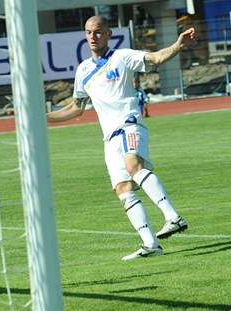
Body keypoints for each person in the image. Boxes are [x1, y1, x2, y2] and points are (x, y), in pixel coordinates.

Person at [46, 15, 191, 260]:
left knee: (133, 165)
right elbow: (76, 107)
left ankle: (173, 217)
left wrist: (178, 45)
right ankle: (150, 244)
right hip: (109, 138)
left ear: (109, 34)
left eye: (99, 32)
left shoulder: (121, 57)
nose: (93, 36)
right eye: (89, 32)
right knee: (123, 189)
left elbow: (154, 58)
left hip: (129, 125)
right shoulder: (83, 70)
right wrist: (42, 117)